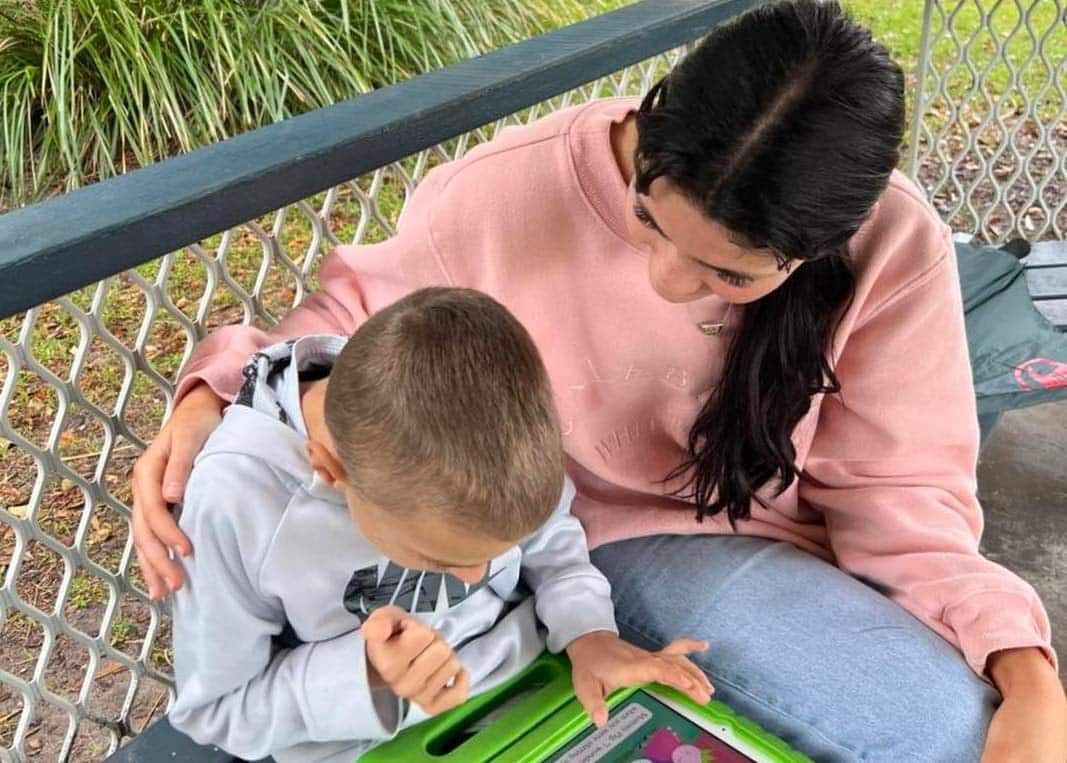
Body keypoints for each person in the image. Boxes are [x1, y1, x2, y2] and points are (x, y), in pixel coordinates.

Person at [134, 1, 1066, 760]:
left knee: (951, 733)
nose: (665, 281)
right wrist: (212, 395)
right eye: (647, 222)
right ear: (650, 128)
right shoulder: (501, 194)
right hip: (539, 532)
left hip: (714, 549)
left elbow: (902, 497)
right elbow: (354, 326)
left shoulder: (892, 244)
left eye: (729, 275)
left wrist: (1021, 666)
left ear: (818, 249)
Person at [169, 287, 711, 762]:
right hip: (371, 745)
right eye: (441, 559)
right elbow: (215, 710)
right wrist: (364, 675)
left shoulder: (485, 409)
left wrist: (588, 630)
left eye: (498, 552)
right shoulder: (240, 499)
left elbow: (550, 534)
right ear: (330, 470)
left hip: (537, 687)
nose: (480, 579)